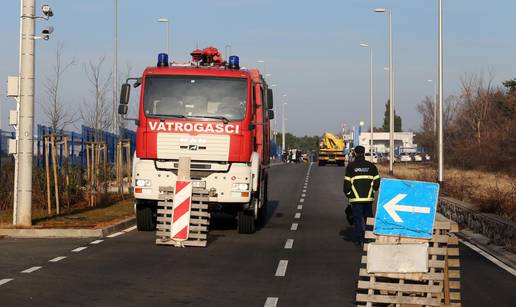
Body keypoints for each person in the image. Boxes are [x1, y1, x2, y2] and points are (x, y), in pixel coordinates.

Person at [343, 145, 380, 245]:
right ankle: (369, 238)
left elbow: (347, 184)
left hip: (355, 199)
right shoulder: (371, 166)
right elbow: (377, 181)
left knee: (357, 218)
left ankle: (359, 239)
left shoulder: (350, 167)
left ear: (354, 153)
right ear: (364, 153)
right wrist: (372, 191)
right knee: (368, 218)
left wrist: (349, 194)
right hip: (368, 198)